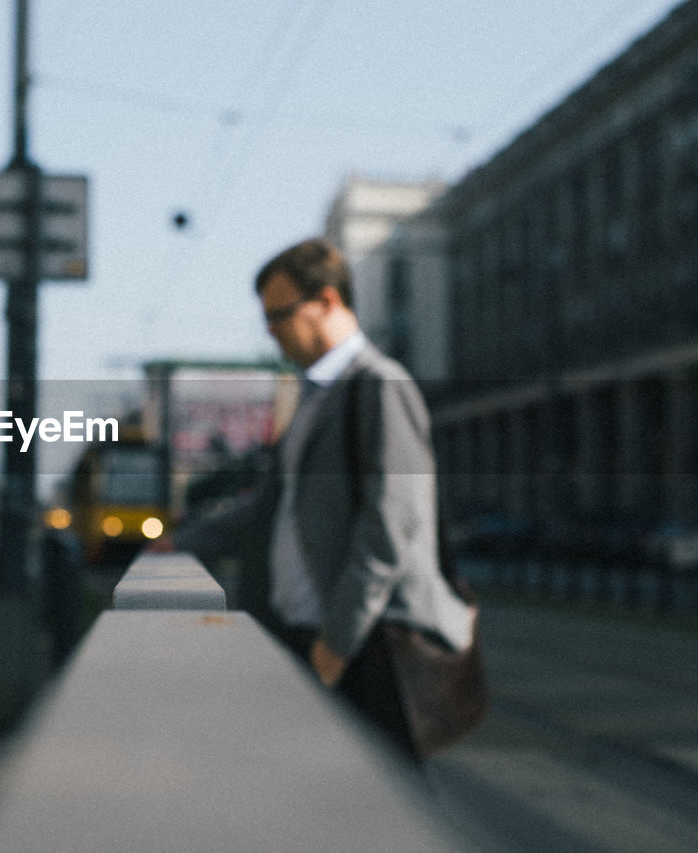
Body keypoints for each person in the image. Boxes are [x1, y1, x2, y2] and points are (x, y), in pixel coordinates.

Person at [152, 237, 474, 761]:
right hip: (309, 637)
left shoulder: (381, 385)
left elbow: (392, 525)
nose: (271, 331)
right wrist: (184, 542)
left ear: (326, 302)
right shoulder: (314, 396)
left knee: (377, 813)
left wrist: (338, 643)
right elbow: (271, 508)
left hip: (367, 650)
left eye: (279, 314)